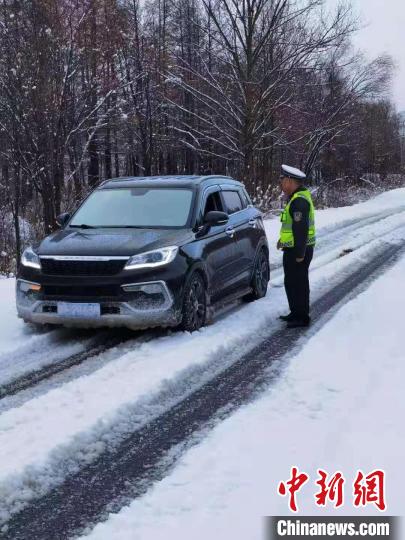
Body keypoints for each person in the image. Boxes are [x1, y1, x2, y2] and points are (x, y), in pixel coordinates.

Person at [277, 164, 316, 328]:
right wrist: (282, 241)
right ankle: (296, 313)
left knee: (298, 283)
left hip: (298, 251)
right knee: (293, 282)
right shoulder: (297, 198)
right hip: (294, 248)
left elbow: (301, 229)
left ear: (290, 181)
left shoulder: (299, 200)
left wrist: (300, 253)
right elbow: (291, 227)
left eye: (283, 180)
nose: (281, 184)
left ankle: (301, 317)